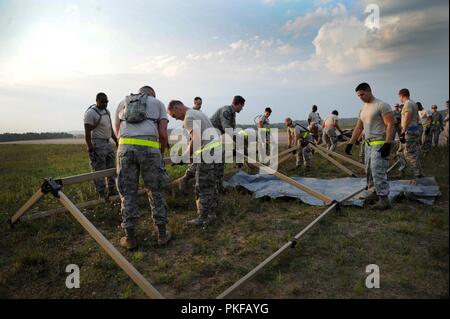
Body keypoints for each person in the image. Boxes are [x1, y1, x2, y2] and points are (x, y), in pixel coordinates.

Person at [114, 86, 171, 250]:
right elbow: (163, 133)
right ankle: (161, 235)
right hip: (149, 150)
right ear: (152, 95)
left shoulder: (122, 102)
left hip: (125, 149)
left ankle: (130, 238)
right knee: (156, 190)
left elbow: (117, 131)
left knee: (127, 193)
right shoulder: (158, 104)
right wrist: (159, 152)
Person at [167, 100, 220, 227]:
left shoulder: (188, 118)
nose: (176, 119)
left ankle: (204, 218)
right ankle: (212, 213)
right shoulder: (197, 113)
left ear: (177, 107)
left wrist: (184, 157)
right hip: (215, 151)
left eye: (174, 115)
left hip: (207, 153)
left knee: (202, 186)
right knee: (212, 184)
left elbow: (196, 139)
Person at [346, 83, 394, 210]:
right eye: (358, 95)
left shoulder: (381, 105)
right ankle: (373, 193)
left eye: (362, 94)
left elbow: (390, 124)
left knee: (377, 170)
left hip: (379, 143)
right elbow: (359, 127)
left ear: (369, 91)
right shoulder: (362, 109)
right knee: (368, 171)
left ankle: (384, 200)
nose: (360, 97)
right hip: (367, 144)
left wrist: (388, 143)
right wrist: (351, 143)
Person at [84, 92, 118, 200]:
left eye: (106, 101)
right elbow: (87, 133)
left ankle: (112, 191)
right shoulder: (90, 113)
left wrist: (116, 140)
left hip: (108, 143)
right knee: (99, 171)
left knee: (111, 169)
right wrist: (90, 148)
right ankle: (102, 195)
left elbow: (110, 128)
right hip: (97, 144)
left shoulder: (106, 111)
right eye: (103, 102)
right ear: (97, 101)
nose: (105, 104)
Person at [210, 95, 246, 191]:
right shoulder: (226, 111)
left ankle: (218, 183)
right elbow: (228, 130)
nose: (242, 109)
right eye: (242, 106)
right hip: (209, 137)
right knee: (213, 160)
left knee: (219, 159)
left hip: (217, 137)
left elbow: (233, 130)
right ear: (238, 104)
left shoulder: (232, 113)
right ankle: (217, 185)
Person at [398, 88, 423, 179]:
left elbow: (407, 117)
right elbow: (416, 118)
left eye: (399, 97)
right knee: (413, 152)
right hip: (414, 129)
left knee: (409, 153)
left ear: (401, 95)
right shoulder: (414, 103)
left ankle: (417, 174)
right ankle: (417, 172)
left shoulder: (408, 104)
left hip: (409, 131)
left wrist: (403, 132)